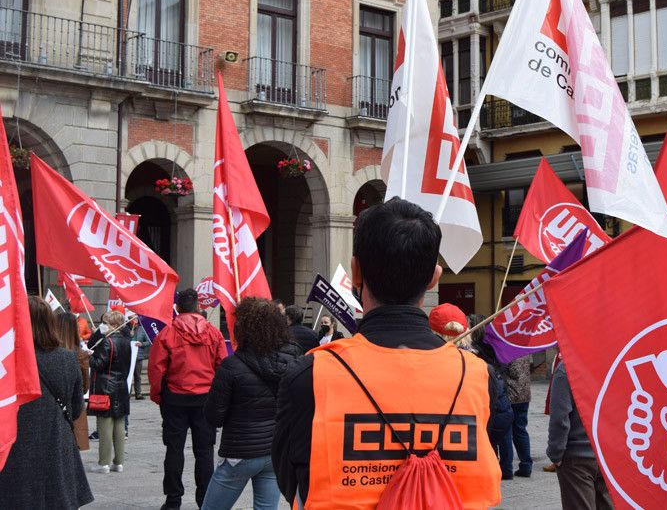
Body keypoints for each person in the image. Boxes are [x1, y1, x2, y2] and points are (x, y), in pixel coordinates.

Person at [272, 198, 501, 508]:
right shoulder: (478, 376)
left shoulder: (309, 374)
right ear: (434, 276)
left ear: (356, 271)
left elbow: (291, 481)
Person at [202, 298, 301, 509]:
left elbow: (214, 416)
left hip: (240, 452)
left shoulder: (232, 366)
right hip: (274, 450)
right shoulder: (293, 361)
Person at [0, 297, 93, 508]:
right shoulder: (68, 358)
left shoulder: (8, 360)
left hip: (16, 451)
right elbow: (77, 408)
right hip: (58, 447)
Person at [149, 289, 228, 510]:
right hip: (205, 398)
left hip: (175, 398)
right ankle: (205, 500)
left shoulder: (167, 333)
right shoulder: (213, 333)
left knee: (174, 449)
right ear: (197, 307)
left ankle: (173, 500)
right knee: (205, 452)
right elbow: (223, 367)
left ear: (178, 308)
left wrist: (159, 395)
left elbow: (156, 369)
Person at [547, 361, 613, 510]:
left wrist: (555, 453)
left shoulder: (567, 368)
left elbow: (560, 418)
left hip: (577, 457)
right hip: (606, 454)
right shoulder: (610, 362)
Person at [469, 316, 514, 481]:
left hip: (493, 398)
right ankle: (506, 469)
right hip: (503, 394)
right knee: (505, 436)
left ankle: (493, 470)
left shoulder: (478, 350)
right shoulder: (496, 346)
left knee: (489, 439)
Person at [87, 309, 132, 473]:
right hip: (121, 385)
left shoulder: (107, 341)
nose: (103, 326)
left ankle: (103, 463)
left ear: (113, 324)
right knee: (119, 423)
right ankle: (118, 462)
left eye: (106, 323)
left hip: (105, 386)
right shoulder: (126, 341)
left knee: (105, 425)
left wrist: (89, 356)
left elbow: (99, 364)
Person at [56, 312, 91, 451]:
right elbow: (84, 387)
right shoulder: (80, 354)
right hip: (75, 408)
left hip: (54, 408)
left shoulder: (49, 352)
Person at [506, 355, 533, 478]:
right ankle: (526, 465)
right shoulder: (525, 348)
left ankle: (506, 467)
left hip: (510, 394)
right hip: (524, 394)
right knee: (521, 430)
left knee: (506, 431)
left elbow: (511, 371)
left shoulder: (508, 348)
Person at [131, 315, 152, 400]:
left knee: (137, 376)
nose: (133, 321)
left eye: (135, 319)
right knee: (128, 375)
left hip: (138, 356)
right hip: (128, 356)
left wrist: (141, 344)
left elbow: (148, 342)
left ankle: (138, 393)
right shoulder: (126, 329)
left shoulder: (142, 329)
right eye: (131, 319)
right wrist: (129, 336)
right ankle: (127, 393)